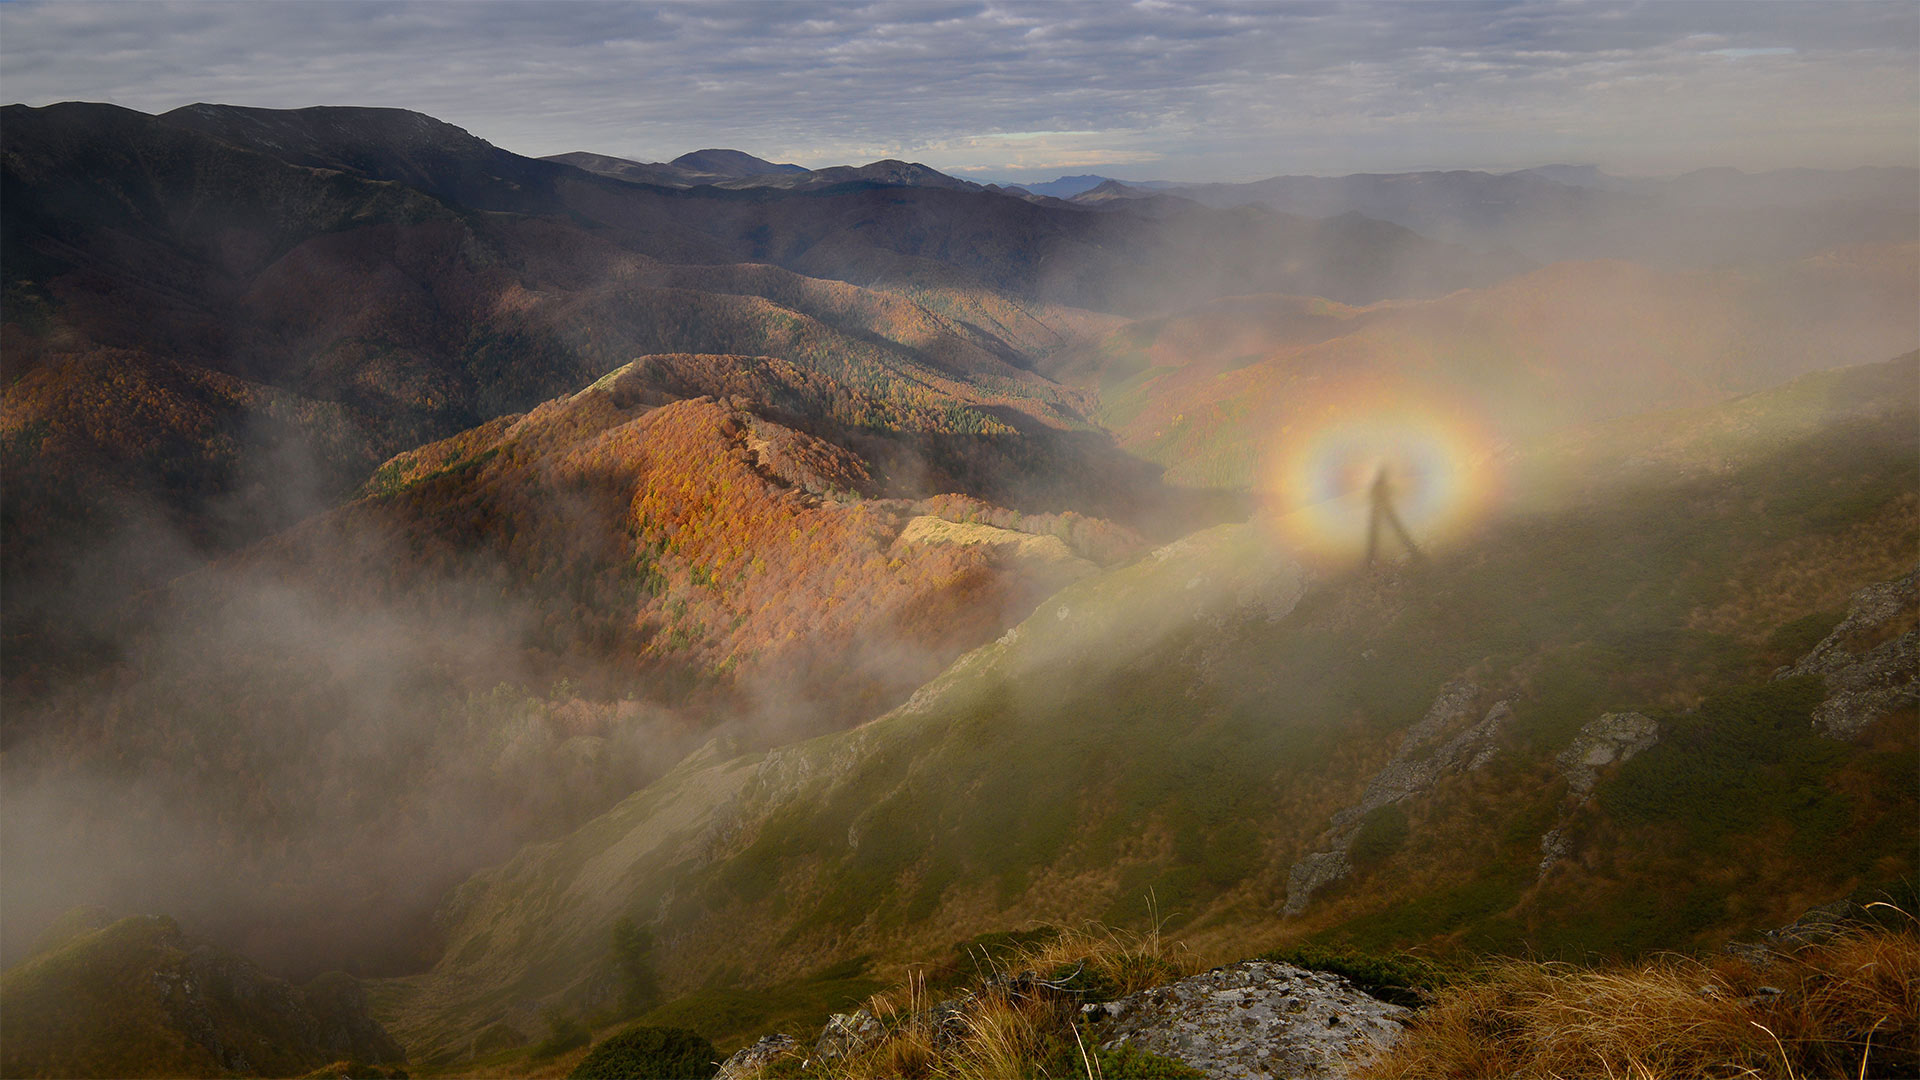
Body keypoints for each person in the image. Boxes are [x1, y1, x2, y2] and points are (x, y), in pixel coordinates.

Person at [1365, 464, 1422, 567]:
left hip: (1382, 511)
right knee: (1390, 531)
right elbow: (1378, 494)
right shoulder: (1379, 483)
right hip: (1382, 511)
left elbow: (1378, 493)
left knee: (1378, 534)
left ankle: (1370, 558)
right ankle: (1370, 558)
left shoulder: (1379, 483)